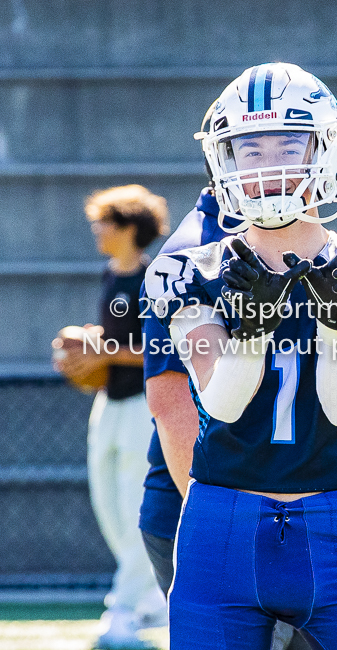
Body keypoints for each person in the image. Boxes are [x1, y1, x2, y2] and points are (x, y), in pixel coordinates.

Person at [145, 62, 337, 649]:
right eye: (250, 147)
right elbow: (220, 405)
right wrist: (251, 331)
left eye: (288, 143)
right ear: (223, 159)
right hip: (219, 531)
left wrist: (335, 326)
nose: (269, 162)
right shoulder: (185, 270)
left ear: (324, 148)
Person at [139, 187, 299, 650]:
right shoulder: (195, 254)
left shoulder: (292, 235)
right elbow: (172, 402)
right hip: (220, 514)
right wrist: (235, 526)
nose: (279, 164)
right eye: (257, 146)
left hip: (296, 510)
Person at [55, 185, 170, 650]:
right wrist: (83, 343)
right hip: (110, 403)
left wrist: (103, 351)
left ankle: (123, 611)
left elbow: (163, 351)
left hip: (145, 406)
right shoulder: (110, 275)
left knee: (137, 509)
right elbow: (113, 340)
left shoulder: (152, 280)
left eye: (104, 221)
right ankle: (150, 603)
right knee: (110, 509)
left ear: (127, 228)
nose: (97, 229)